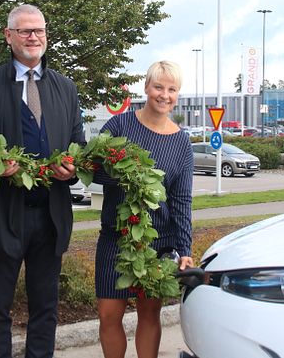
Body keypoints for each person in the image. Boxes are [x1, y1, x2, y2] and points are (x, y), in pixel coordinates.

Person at [0, 4, 84, 358]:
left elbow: (79, 147)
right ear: (8, 36)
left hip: (51, 216)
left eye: (39, 30)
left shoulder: (65, 88)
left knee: (45, 308)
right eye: (25, 31)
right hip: (2, 214)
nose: (33, 37)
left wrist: (72, 168)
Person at [95, 60, 194, 358]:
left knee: (150, 316)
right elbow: (94, 171)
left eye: (172, 89)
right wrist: (128, 174)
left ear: (178, 94)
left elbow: (181, 201)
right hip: (117, 237)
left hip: (158, 244)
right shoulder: (119, 125)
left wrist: (184, 248)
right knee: (108, 316)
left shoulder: (181, 143)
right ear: (146, 87)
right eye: (159, 87)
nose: (165, 95)